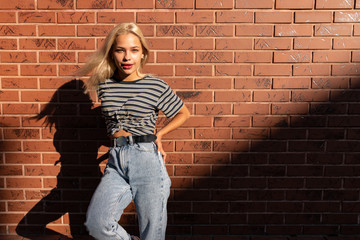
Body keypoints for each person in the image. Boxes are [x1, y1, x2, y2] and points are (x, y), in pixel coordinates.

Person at [77, 22, 190, 240]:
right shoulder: (105, 85)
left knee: (152, 233)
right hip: (116, 161)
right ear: (112, 53)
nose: (127, 57)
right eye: (120, 50)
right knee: (97, 223)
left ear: (142, 54)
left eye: (134, 50)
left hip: (146, 159)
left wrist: (159, 135)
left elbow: (183, 113)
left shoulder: (155, 85)